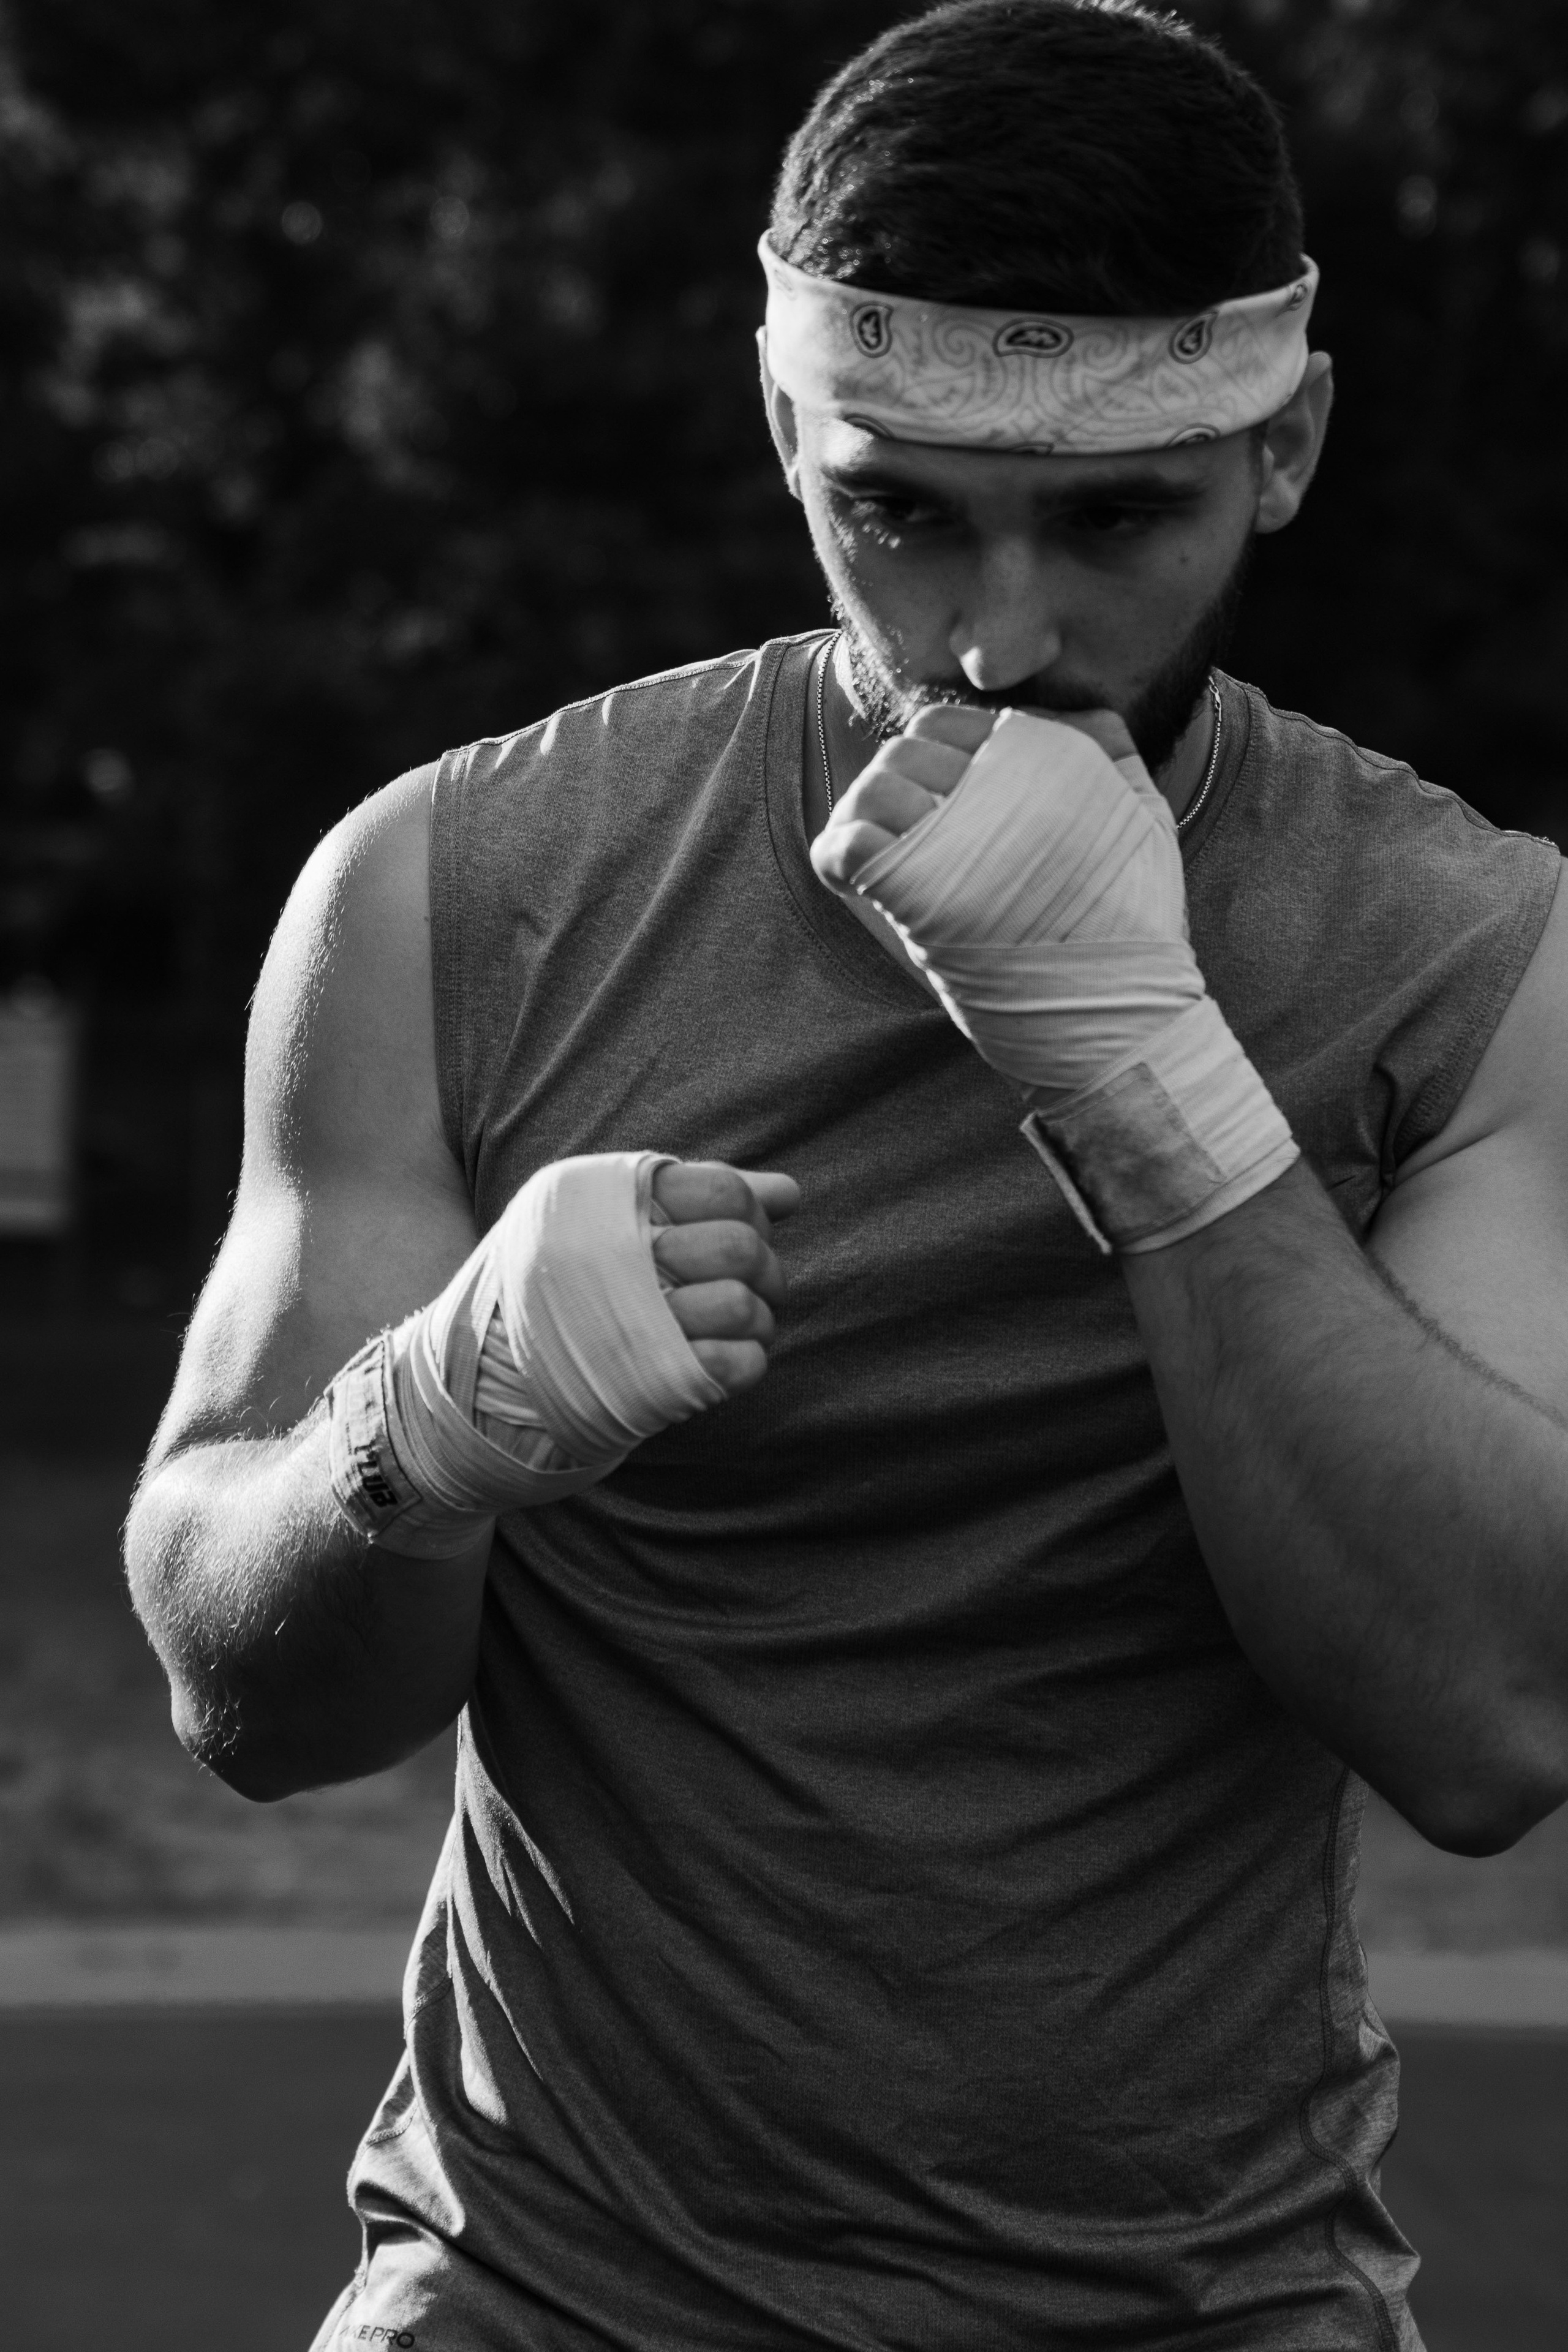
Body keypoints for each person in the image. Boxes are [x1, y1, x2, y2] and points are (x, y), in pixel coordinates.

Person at [126, 3, 1568, 2345]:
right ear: (788, 424)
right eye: (899, 508)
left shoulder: (1467, 953)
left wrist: (1151, 1076)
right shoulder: (455, 889)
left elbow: (1491, 1725)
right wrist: (424, 1420)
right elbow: (239, 1689)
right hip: (540, 2286)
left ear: (1284, 443)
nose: (1000, 635)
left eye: (1117, 517)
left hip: (1205, 2302)